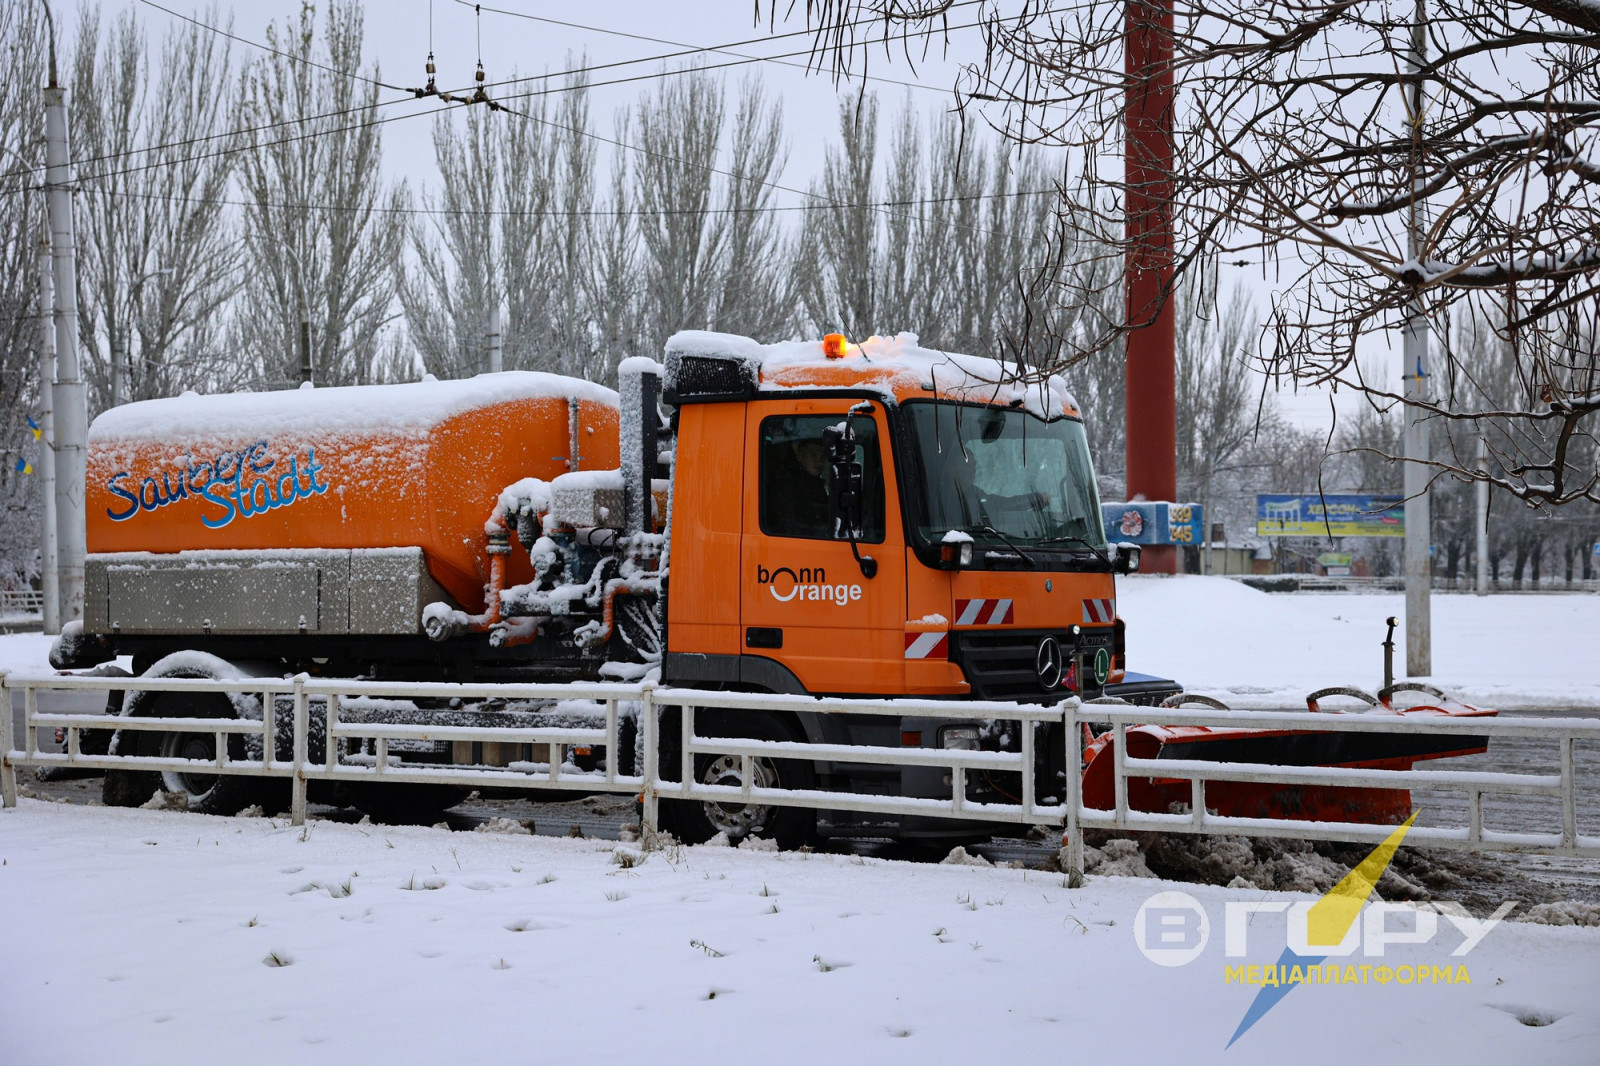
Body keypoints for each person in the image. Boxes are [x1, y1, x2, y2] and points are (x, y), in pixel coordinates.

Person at [768, 436, 833, 539]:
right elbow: (792, 525)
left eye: (823, 456)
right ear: (800, 455)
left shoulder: (814, 484)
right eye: (813, 455)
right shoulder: (788, 485)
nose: (819, 461)